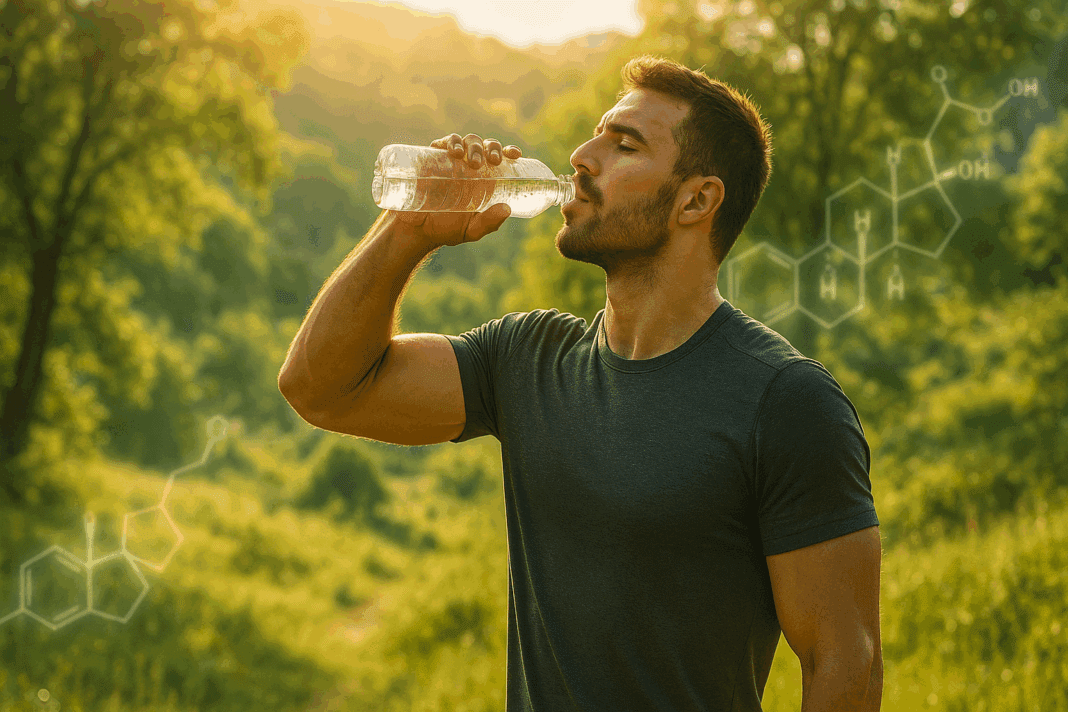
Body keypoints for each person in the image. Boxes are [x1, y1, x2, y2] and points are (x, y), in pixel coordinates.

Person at [279, 55, 882, 712]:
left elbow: (843, 661)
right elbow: (320, 387)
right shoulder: (527, 358)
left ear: (697, 200)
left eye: (624, 144)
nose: (583, 157)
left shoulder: (786, 401)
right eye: (596, 135)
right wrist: (410, 228)